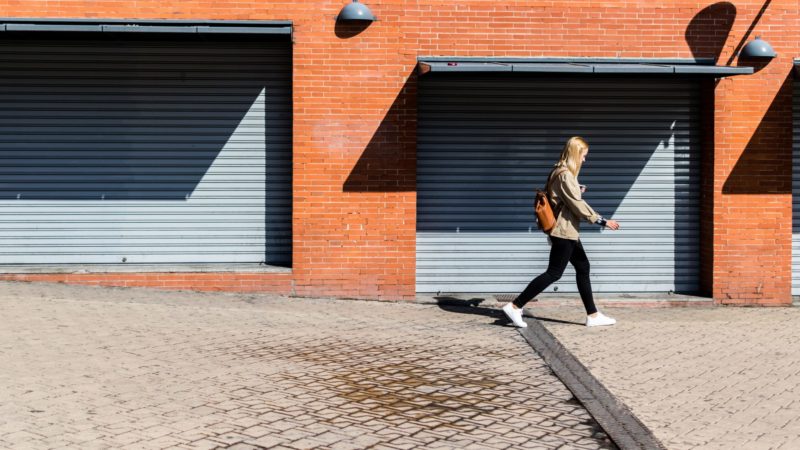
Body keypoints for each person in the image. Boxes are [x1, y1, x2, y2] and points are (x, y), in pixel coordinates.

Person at [503, 136, 620, 328]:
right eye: (583, 155)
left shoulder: (558, 172)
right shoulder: (565, 175)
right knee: (554, 273)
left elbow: (564, 198)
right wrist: (602, 220)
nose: (585, 160)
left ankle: (593, 314)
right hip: (563, 231)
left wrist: (576, 191)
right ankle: (515, 306)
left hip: (567, 231)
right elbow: (577, 205)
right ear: (575, 154)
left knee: (583, 267)